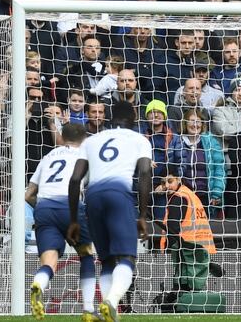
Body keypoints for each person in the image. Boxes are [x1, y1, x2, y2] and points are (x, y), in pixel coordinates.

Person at [67, 101, 153, 322]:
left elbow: (75, 179)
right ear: (133, 118)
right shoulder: (140, 140)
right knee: (126, 257)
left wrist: (74, 219)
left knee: (106, 259)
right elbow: (144, 174)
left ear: (110, 118)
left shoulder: (91, 140)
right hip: (119, 194)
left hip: (93, 196)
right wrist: (142, 215)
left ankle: (109, 317)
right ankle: (112, 302)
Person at [26, 123, 97, 322]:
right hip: (71, 207)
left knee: (49, 262)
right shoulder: (85, 157)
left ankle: (39, 283)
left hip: (44, 208)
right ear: (84, 140)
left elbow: (28, 194)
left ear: (63, 137)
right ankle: (89, 310)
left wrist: (42, 206)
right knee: (86, 255)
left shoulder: (47, 157)